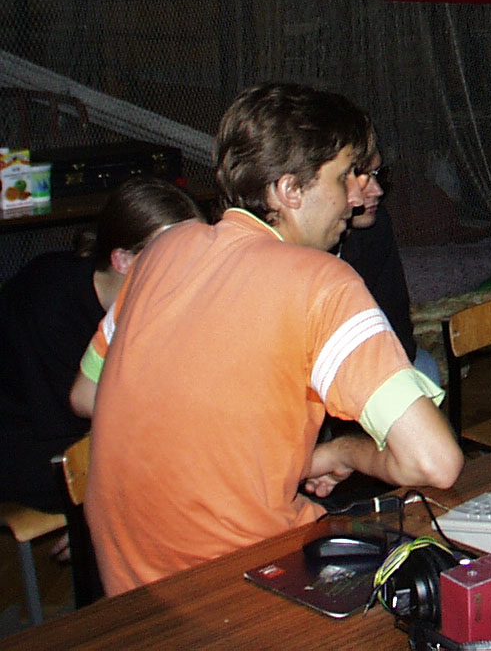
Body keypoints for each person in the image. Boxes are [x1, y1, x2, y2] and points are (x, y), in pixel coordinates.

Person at [82, 83, 462, 594]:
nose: (356, 197)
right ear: (290, 191)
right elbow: (435, 461)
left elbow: (85, 394)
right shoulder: (322, 283)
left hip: (132, 593)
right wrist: (350, 452)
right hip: (246, 586)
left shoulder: (163, 249)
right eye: (343, 177)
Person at [0, 177, 202, 515]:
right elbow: (74, 422)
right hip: (27, 442)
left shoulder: (164, 302)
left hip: (96, 434)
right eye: (173, 255)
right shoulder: (49, 302)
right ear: (122, 260)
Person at [336, 149, 440, 383]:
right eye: (361, 177)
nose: (378, 191)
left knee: (425, 371)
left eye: (377, 175)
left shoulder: (377, 226)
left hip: (376, 362)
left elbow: (396, 319)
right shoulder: (296, 251)